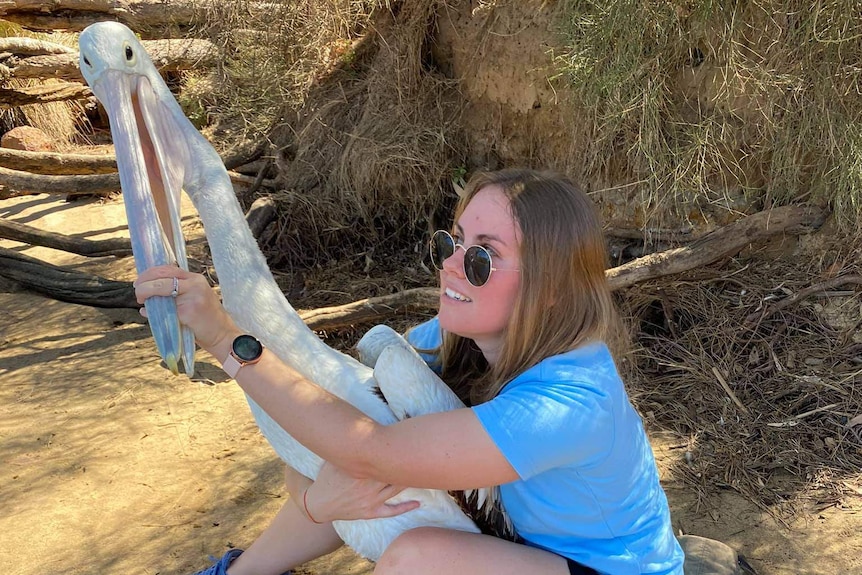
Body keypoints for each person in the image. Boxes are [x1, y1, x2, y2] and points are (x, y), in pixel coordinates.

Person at [135, 168, 685, 575]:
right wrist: (318, 499)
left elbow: (365, 447)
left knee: (416, 558)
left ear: (551, 289)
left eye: (481, 258)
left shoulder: (568, 402)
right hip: (520, 546)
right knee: (357, 469)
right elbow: (325, 434)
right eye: (453, 241)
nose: (450, 262)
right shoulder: (453, 341)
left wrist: (222, 337)